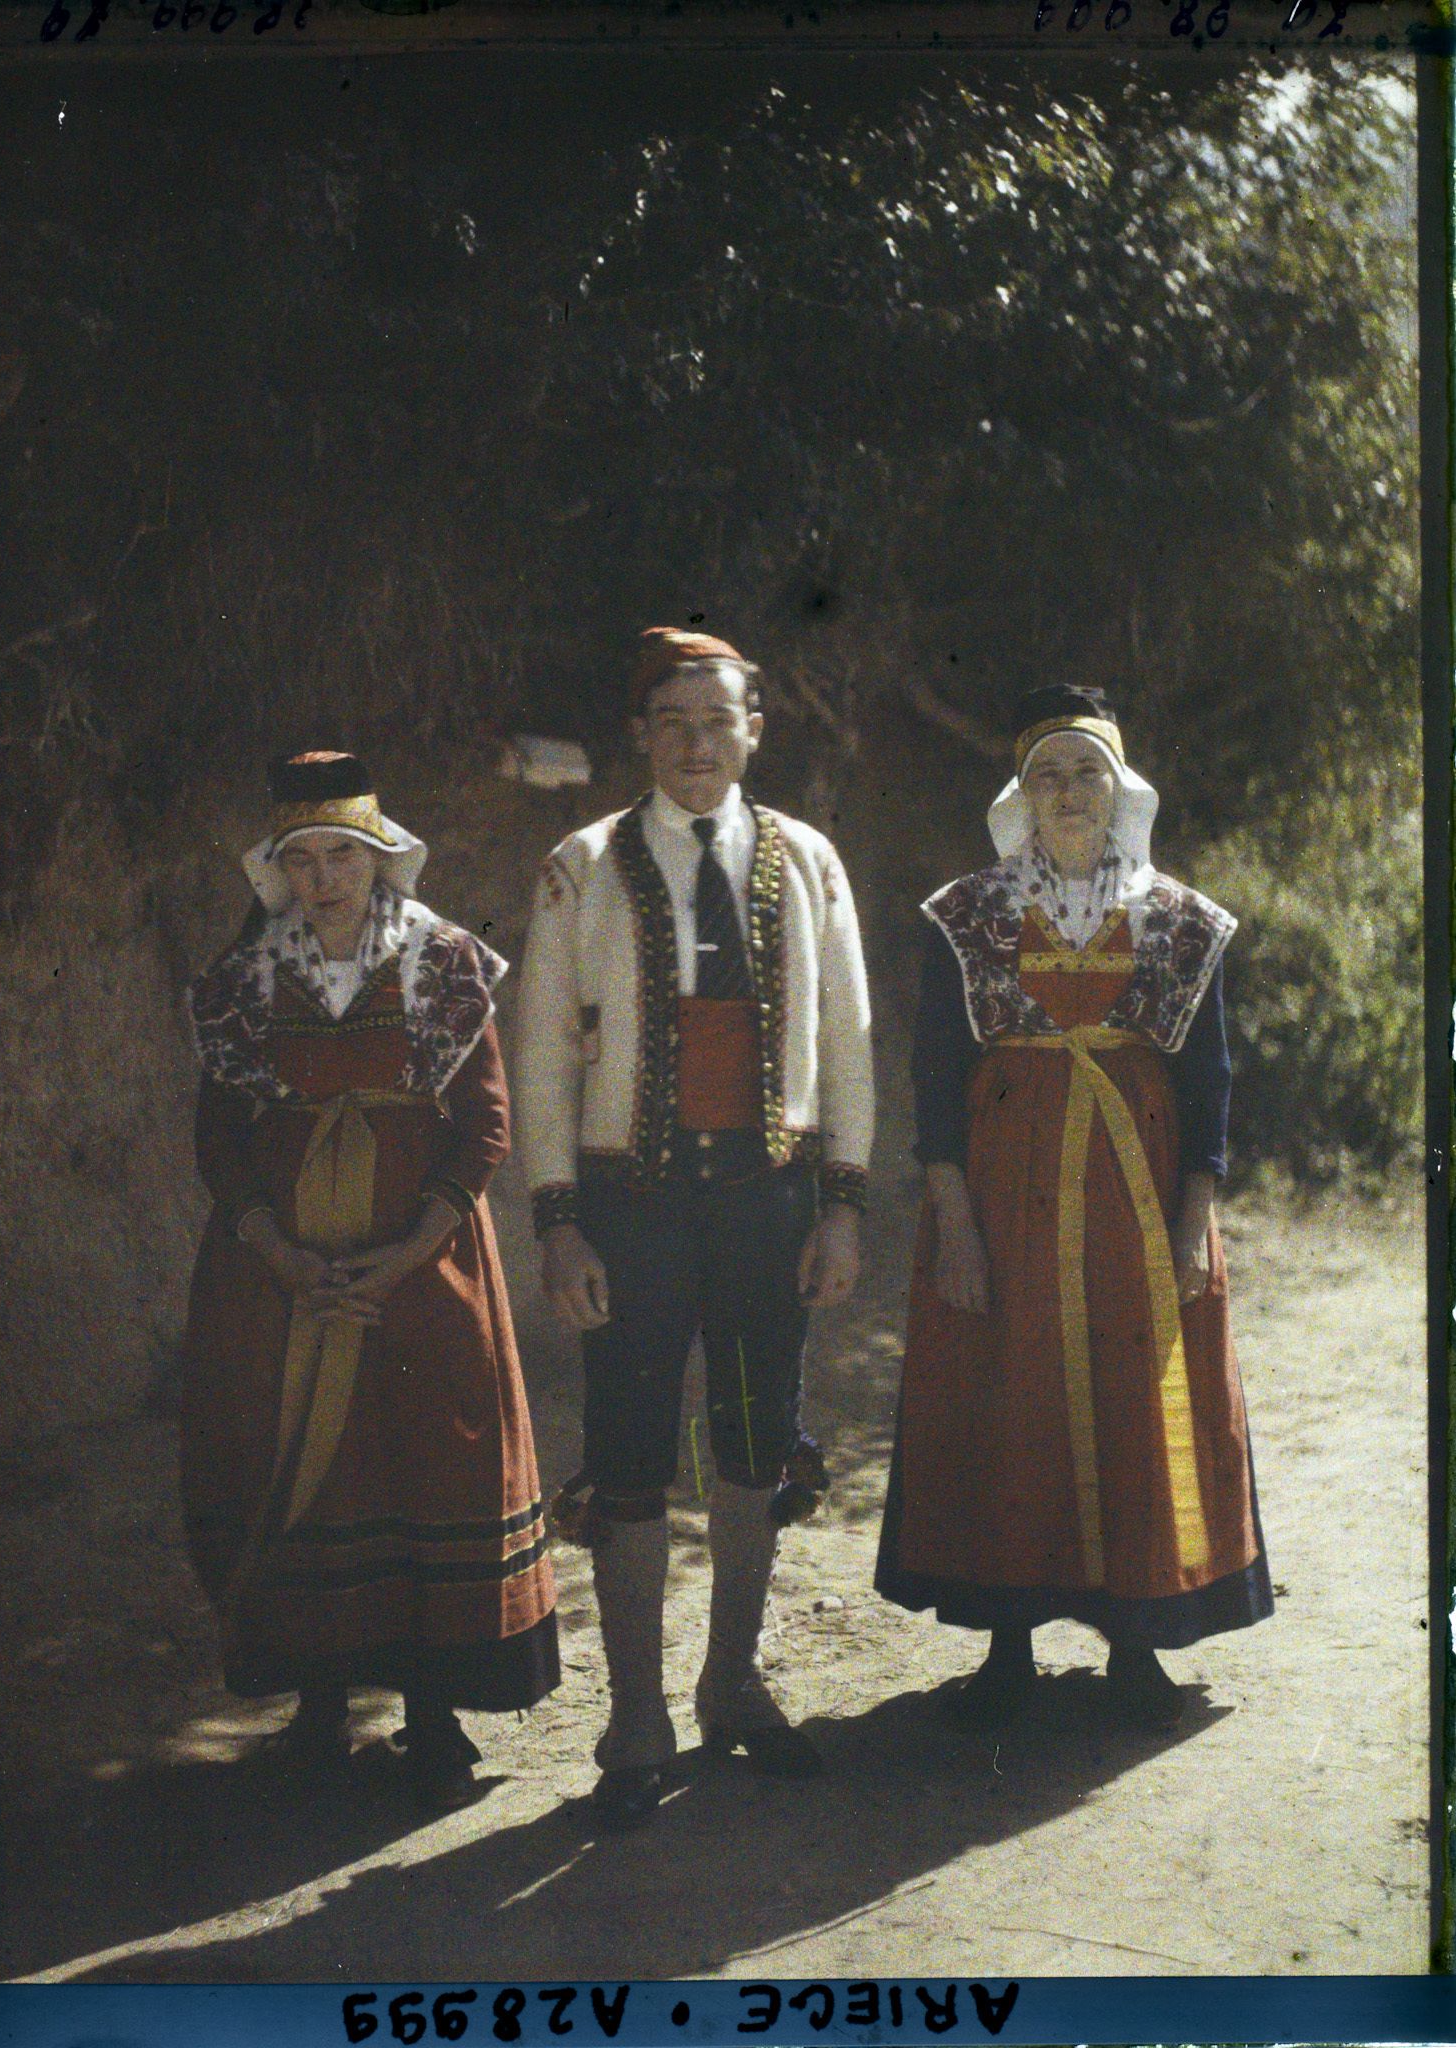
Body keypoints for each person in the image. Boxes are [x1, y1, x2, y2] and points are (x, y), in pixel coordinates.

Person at [516, 628, 874, 1828]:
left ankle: (732, 1681)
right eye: (671, 721)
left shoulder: (811, 861)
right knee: (627, 1450)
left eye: (716, 720)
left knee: (751, 1441)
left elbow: (849, 1041)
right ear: (639, 736)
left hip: (766, 1201)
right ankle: (635, 1719)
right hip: (631, 1203)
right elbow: (541, 1063)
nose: (694, 743)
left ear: (754, 729)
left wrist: (839, 1199)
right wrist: (559, 1222)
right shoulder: (579, 865)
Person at [875, 683, 1272, 1731]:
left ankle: (1135, 1649)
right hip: (1005, 1189)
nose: (1066, 792)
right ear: (1020, 791)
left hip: (1136, 1190)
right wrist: (952, 1216)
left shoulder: (1181, 920)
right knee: (1010, 1385)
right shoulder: (968, 914)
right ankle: (1009, 1645)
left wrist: (1194, 1217)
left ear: (1119, 787)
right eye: (1045, 773)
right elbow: (932, 1075)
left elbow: (1210, 1080)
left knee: (1136, 1390)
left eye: (1084, 771)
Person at [182, 750, 558, 1812]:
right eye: (299, 858)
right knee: (309, 1459)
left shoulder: (443, 962)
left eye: (339, 852)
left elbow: (485, 1122)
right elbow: (219, 1133)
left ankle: (435, 1718)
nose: (321, 875)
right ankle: (319, 1711)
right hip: (283, 1269)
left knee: (428, 1460)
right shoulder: (247, 977)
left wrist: (406, 1251)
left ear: (379, 856)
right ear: (277, 871)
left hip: (423, 1259)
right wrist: (280, 1252)